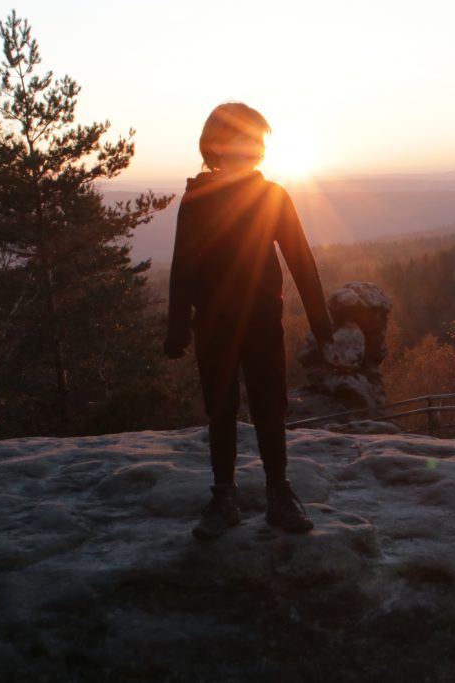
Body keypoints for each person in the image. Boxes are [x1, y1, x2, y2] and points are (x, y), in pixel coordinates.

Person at [165, 102, 335, 539]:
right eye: (238, 137)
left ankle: (279, 491)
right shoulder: (196, 200)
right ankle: (224, 495)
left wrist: (322, 326)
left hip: (262, 321)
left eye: (254, 139)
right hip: (214, 324)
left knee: (269, 404)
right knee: (220, 408)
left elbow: (301, 260)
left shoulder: (273, 196)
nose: (248, 147)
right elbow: (182, 265)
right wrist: (177, 327)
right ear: (216, 145)